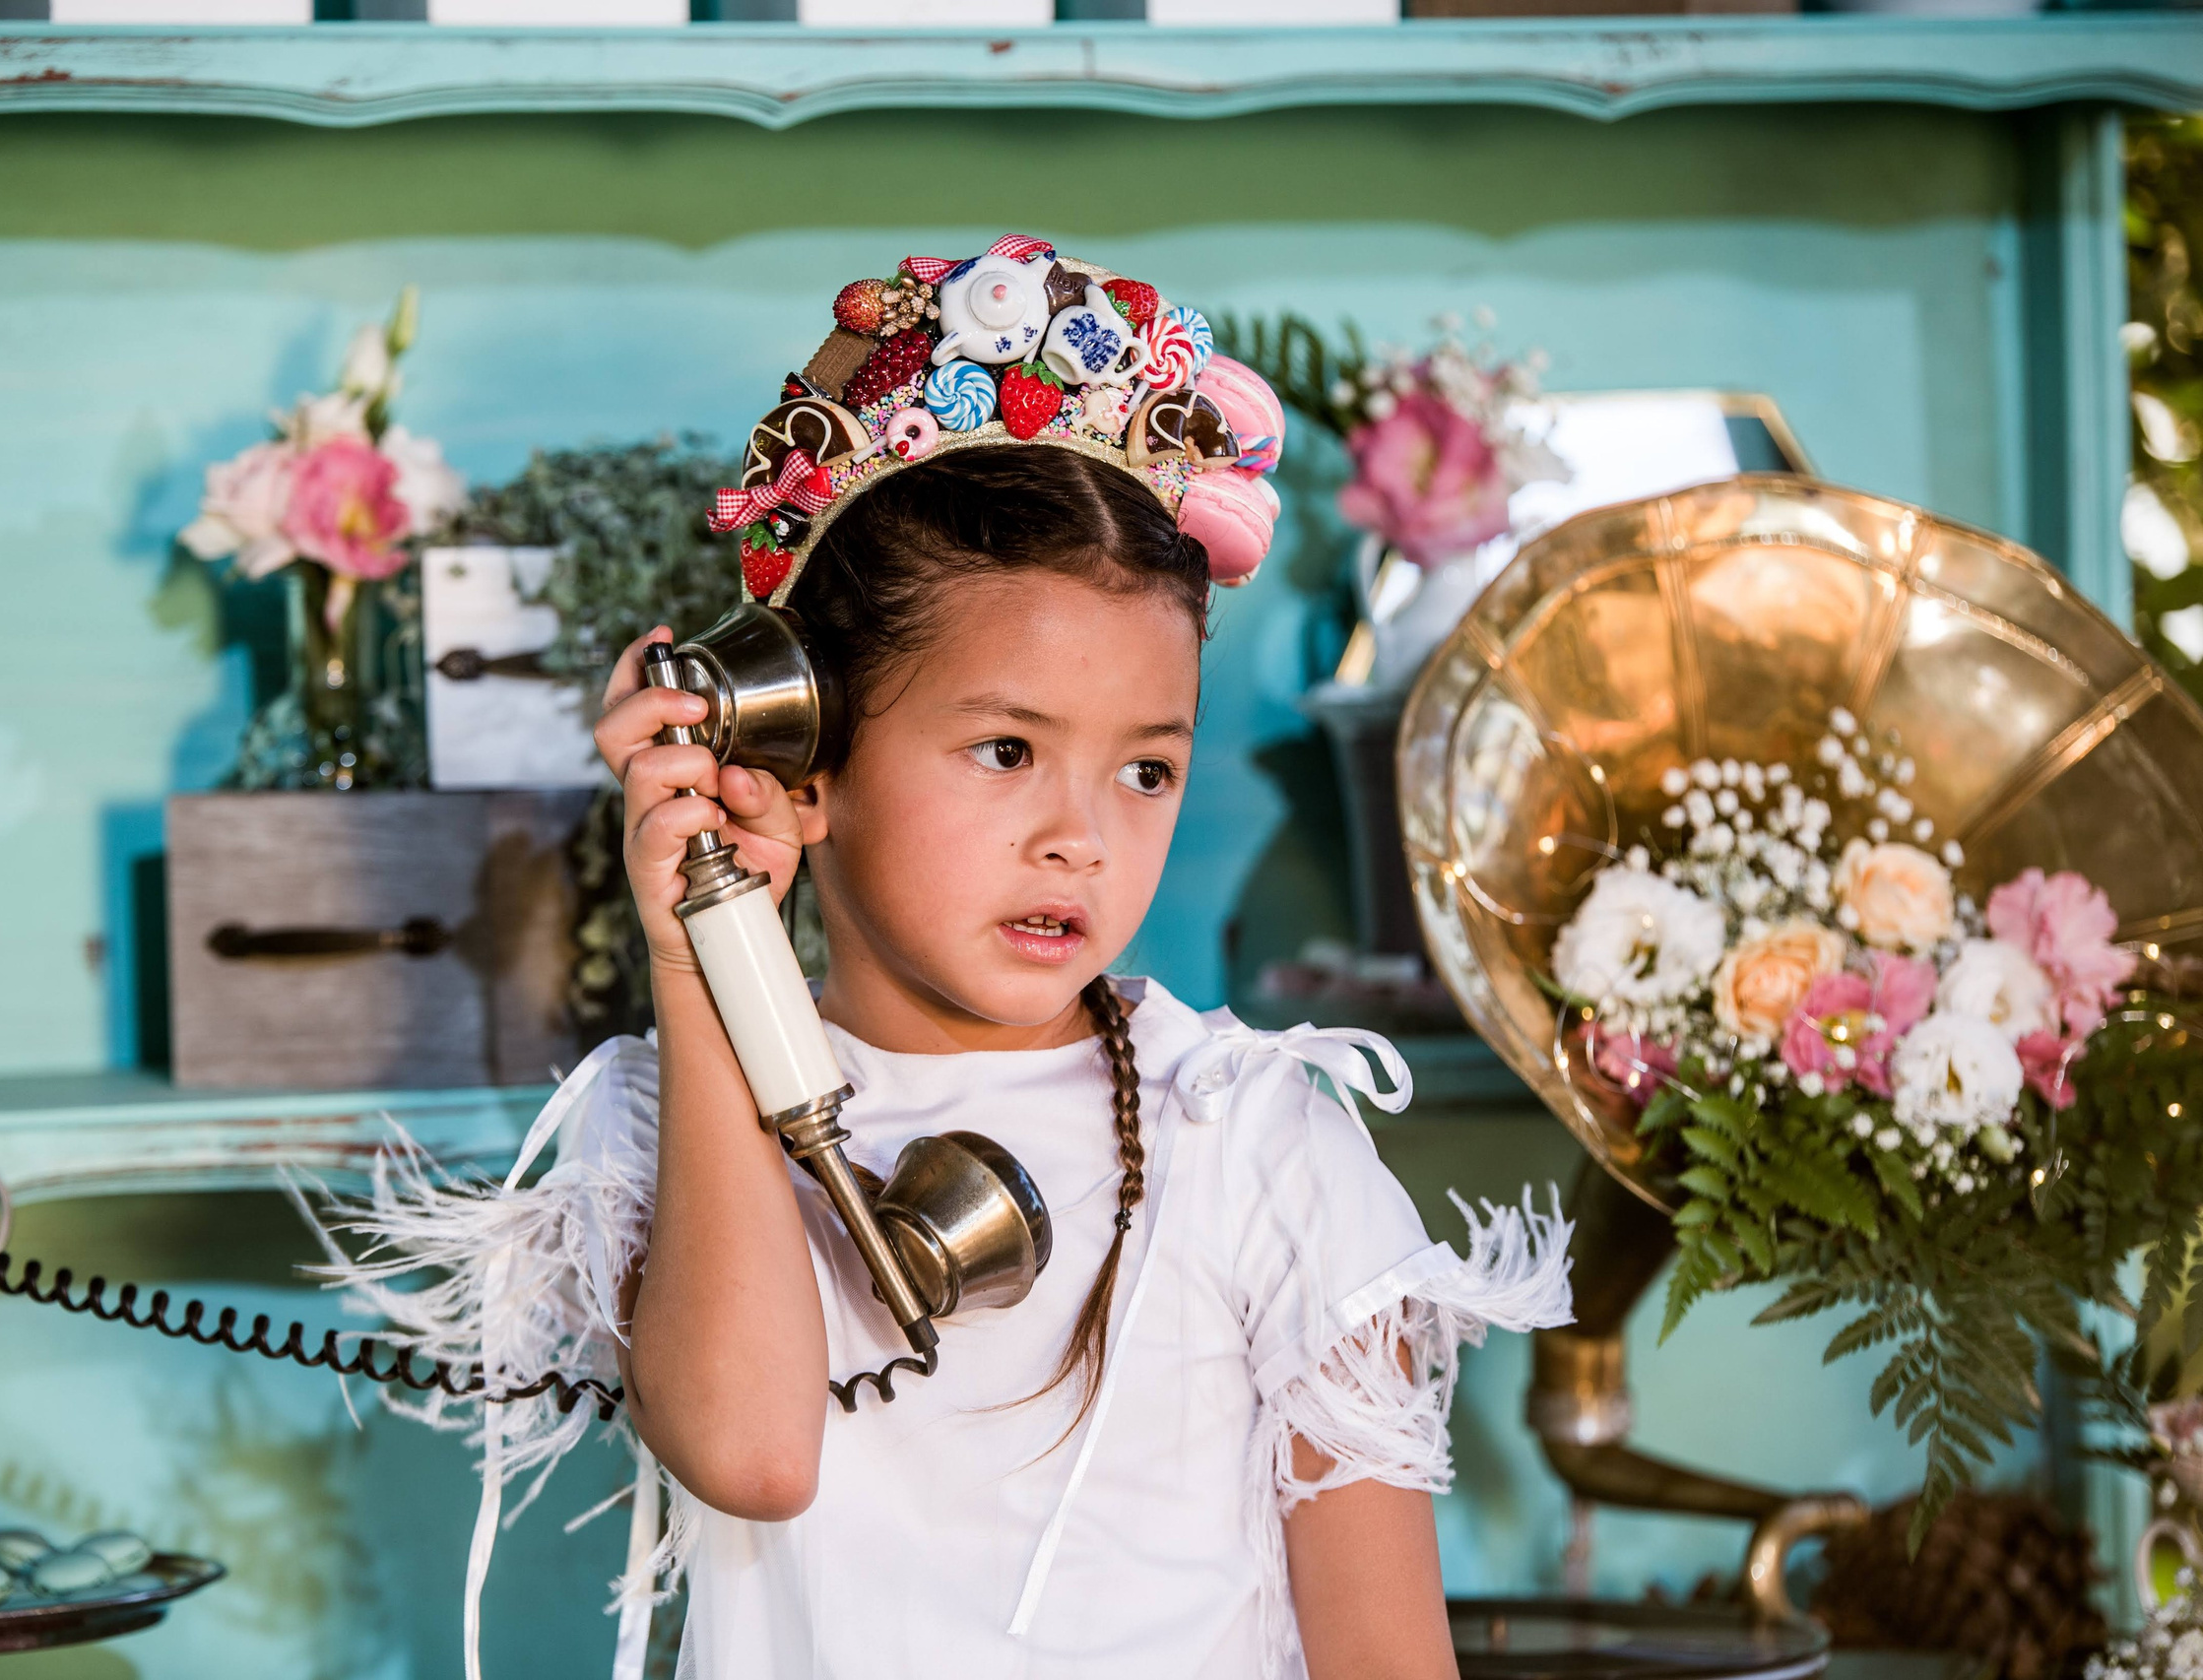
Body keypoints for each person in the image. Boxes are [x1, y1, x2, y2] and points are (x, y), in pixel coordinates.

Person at [316, 241, 1571, 1680]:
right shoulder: (676, 1121)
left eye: (1146, 770)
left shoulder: (1254, 1140)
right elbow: (753, 1452)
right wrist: (702, 945)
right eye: (1007, 750)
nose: (1081, 839)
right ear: (805, 754)